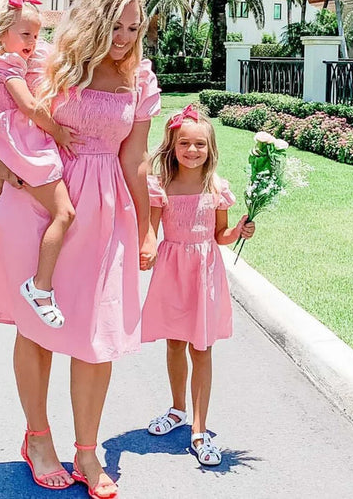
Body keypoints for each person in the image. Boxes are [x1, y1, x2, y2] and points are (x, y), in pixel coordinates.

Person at [0, 0, 159, 497]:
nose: (125, 37)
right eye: (115, 25)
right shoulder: (45, 62)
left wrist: (149, 229)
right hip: (43, 202)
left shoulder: (141, 79)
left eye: (134, 27)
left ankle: (88, 453)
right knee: (38, 326)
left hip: (107, 206)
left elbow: (134, 159)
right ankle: (38, 438)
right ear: (92, 20)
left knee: (97, 336)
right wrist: (9, 175)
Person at [141, 105, 255, 466]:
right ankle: (176, 409)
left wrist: (237, 231)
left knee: (201, 347)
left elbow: (221, 235)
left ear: (210, 148)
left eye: (200, 145)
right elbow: (151, 231)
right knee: (175, 342)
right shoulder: (161, 185)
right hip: (172, 271)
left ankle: (199, 428)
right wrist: (145, 248)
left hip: (204, 272)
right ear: (172, 146)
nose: (192, 151)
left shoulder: (216, 186)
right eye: (185, 143)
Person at [0, 0, 83, 328]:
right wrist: (58, 131)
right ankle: (40, 287)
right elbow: (28, 106)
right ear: (2, 35)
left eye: (38, 33)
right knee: (64, 212)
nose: (33, 41)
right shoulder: (10, 64)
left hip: (3, 143)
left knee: (0, 191)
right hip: (23, 146)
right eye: (26, 34)